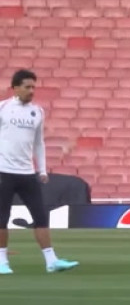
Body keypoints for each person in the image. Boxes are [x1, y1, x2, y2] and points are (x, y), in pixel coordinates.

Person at [0, 69, 79, 275]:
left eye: (34, 87)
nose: (31, 91)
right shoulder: (3, 108)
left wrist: (42, 169)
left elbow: (39, 144)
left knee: (41, 216)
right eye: (27, 87)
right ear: (15, 88)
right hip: (4, 172)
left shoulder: (37, 112)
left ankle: (51, 261)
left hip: (27, 173)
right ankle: (1, 261)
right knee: (1, 218)